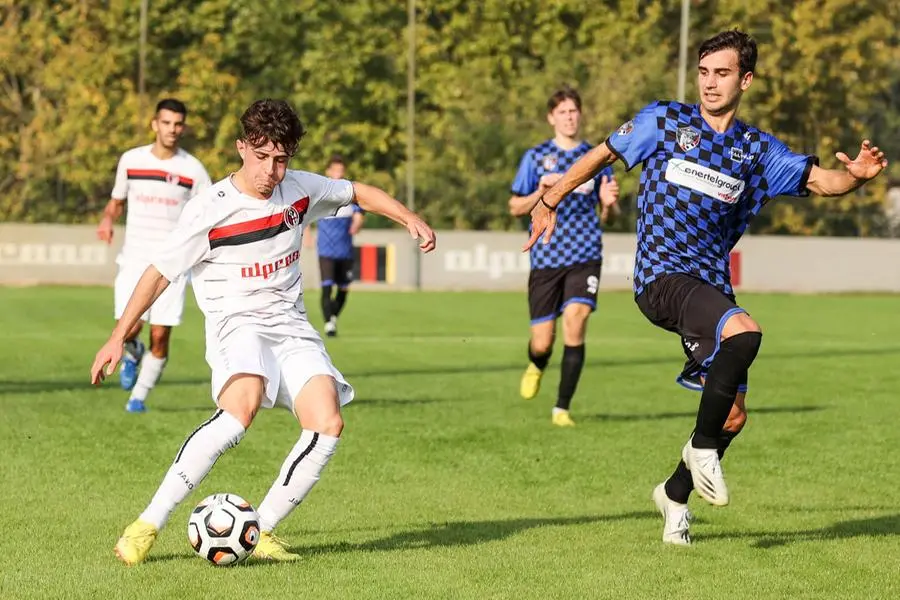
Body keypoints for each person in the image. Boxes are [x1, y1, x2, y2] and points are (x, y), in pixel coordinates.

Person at [525, 30, 887, 544]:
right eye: (703, 71)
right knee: (744, 334)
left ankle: (674, 495)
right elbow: (604, 152)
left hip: (709, 285)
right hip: (661, 277)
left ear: (745, 79)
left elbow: (823, 182)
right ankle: (700, 450)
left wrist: (857, 178)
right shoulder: (665, 121)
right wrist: (552, 198)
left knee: (733, 416)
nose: (710, 83)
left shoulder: (756, 149)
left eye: (722, 73)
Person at [90, 99, 436, 565]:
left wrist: (408, 217)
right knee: (241, 410)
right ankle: (146, 524)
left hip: (290, 325)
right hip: (237, 323)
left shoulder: (299, 189)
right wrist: (118, 335)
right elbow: (157, 274)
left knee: (328, 422)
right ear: (241, 149)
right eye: (261, 157)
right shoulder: (210, 209)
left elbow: (357, 192)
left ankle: (262, 529)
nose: (271, 171)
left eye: (281, 159)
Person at [508, 86, 620, 427]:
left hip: (585, 252)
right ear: (551, 117)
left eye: (574, 111)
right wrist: (539, 194)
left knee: (577, 319)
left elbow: (609, 218)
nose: (569, 117)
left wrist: (610, 204)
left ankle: (561, 408)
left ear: (580, 115)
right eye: (563, 112)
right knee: (543, 342)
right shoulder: (536, 157)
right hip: (545, 254)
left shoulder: (597, 157)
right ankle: (537, 363)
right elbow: (515, 207)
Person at [96, 98, 212, 413]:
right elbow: (116, 201)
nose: (172, 129)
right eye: (166, 123)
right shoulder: (131, 161)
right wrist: (107, 219)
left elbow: (209, 215)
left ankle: (138, 398)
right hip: (134, 259)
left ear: (183, 127)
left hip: (173, 264)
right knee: (129, 327)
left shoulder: (193, 169)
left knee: (160, 337)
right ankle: (132, 350)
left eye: (177, 124)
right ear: (154, 124)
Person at [312, 155, 365, 337]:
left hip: (345, 250)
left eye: (341, 170)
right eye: (335, 170)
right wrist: (305, 235)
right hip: (326, 249)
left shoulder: (350, 193)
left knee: (343, 289)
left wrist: (357, 223)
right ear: (328, 172)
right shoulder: (321, 194)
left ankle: (332, 316)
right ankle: (328, 323)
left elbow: (358, 214)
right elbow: (306, 215)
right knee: (327, 286)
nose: (338, 173)